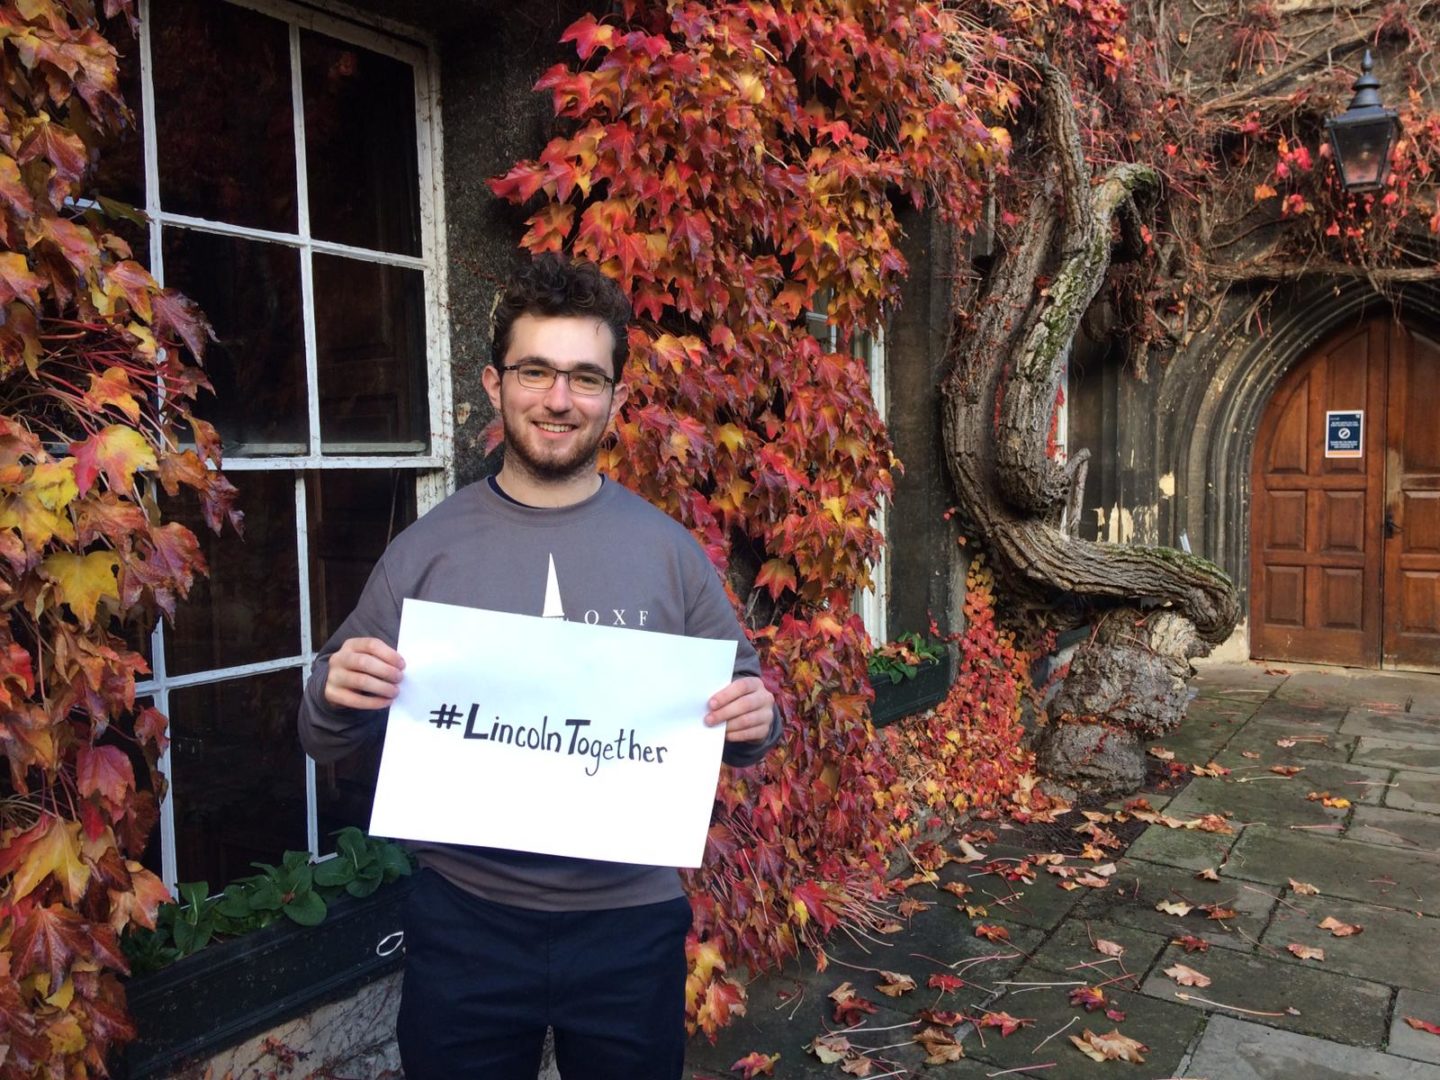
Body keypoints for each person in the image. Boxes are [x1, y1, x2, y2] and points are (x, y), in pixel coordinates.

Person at [297, 253, 781, 1080]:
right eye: (536, 371)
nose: (559, 400)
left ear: (616, 399)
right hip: (466, 925)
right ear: (495, 383)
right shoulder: (425, 553)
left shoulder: (671, 555)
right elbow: (321, 730)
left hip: (631, 927)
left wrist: (756, 719)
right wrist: (335, 689)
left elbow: (747, 713)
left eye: (585, 378)